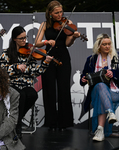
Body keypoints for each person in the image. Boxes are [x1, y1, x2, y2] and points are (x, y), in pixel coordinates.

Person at [0, 26, 53, 138]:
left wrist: (45, 63)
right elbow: (1, 71)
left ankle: (15, 121)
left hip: (26, 84)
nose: (24, 40)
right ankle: (17, 128)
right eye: (21, 38)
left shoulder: (30, 54)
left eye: (25, 37)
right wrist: (16, 67)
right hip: (11, 85)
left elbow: (36, 72)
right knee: (21, 95)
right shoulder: (7, 53)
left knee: (32, 95)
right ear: (14, 39)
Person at [34, 0, 81, 131]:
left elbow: (67, 43)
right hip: (48, 58)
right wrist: (46, 41)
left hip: (63, 57)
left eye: (61, 12)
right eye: (56, 13)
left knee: (64, 89)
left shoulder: (68, 24)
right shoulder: (44, 24)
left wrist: (74, 37)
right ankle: (51, 123)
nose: (60, 15)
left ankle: (64, 123)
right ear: (50, 13)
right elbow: (36, 43)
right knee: (49, 89)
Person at [80, 33, 119, 141]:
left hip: (114, 91)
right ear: (99, 46)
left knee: (101, 97)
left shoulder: (116, 58)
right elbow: (84, 75)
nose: (107, 46)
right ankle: (109, 114)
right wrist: (83, 79)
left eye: (109, 44)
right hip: (96, 91)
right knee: (101, 86)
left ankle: (100, 130)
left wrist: (114, 74)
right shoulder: (91, 59)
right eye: (104, 44)